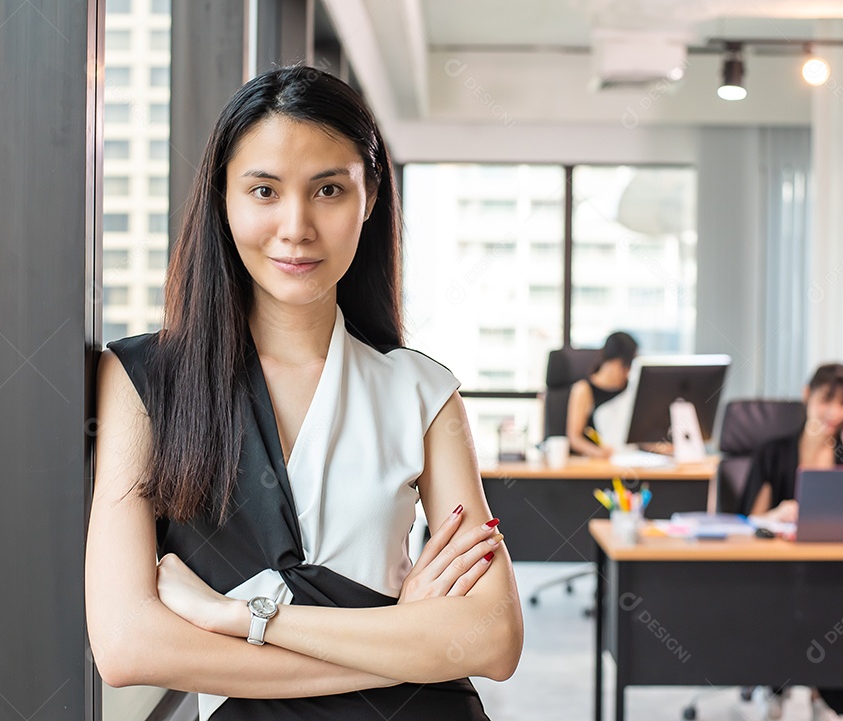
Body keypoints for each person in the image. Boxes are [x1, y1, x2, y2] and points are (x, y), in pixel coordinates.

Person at [84, 66, 523, 720]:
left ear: (370, 198)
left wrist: (237, 616)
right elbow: (127, 647)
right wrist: (404, 640)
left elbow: (494, 639)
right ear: (223, 197)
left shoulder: (423, 392)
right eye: (264, 190)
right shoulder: (144, 380)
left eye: (329, 190)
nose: (296, 226)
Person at [739, 362, 843, 721]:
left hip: (839, 570)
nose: (834, 412)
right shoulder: (774, 451)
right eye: (826, 401)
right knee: (790, 598)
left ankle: (825, 694)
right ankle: (774, 685)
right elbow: (748, 521)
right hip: (782, 569)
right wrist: (779, 512)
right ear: (807, 396)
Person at [566, 331, 638, 458]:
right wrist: (598, 452)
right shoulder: (583, 390)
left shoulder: (630, 389)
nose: (628, 372)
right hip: (597, 461)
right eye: (626, 366)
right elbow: (574, 438)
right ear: (614, 361)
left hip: (628, 457)